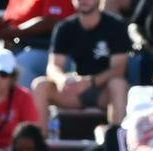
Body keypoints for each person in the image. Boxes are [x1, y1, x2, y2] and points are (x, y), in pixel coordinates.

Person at [31, 0, 128, 128]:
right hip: (75, 89)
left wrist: (90, 82)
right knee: (40, 85)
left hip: (104, 90)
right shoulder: (65, 27)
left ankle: (116, 141)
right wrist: (62, 80)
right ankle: (39, 140)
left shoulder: (116, 25)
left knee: (118, 85)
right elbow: (53, 66)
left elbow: (118, 69)